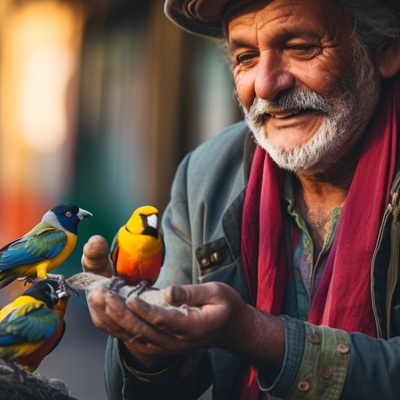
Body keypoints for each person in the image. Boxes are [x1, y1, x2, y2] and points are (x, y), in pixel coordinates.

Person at [81, 0, 400, 399]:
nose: (265, 85)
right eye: (246, 57)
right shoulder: (204, 177)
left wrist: (254, 334)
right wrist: (143, 344)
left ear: (387, 47)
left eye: (301, 46)